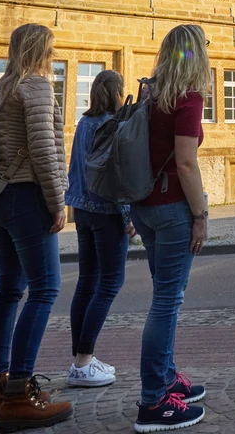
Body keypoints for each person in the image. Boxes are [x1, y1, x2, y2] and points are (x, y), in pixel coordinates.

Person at [0, 23, 72, 431]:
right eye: (50, 48)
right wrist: (57, 202)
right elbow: (43, 149)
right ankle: (19, 394)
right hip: (25, 196)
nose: (53, 55)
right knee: (46, 288)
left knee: (8, 291)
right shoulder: (36, 86)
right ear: (40, 50)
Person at [130, 25, 210, 431]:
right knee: (166, 301)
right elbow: (186, 163)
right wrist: (201, 215)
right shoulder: (188, 97)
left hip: (143, 206)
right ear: (196, 54)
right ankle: (154, 402)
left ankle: (165, 376)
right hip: (172, 208)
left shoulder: (150, 94)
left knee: (165, 295)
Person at [65, 70, 136, 388]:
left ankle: (79, 361)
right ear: (117, 93)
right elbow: (117, 174)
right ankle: (84, 360)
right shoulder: (113, 124)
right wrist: (128, 215)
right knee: (109, 284)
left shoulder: (84, 123)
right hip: (106, 212)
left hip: (81, 209)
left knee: (86, 283)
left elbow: (76, 167)